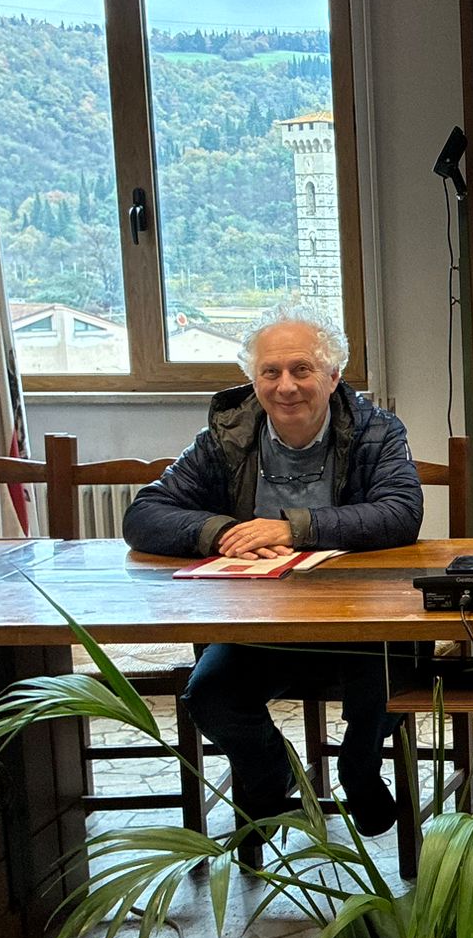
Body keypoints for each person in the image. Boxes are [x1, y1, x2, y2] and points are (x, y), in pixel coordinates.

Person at [123, 310, 422, 844]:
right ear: (252, 380)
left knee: (387, 680)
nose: (286, 387)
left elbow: (400, 511)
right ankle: (273, 773)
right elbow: (144, 514)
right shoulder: (228, 435)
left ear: (333, 377)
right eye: (270, 372)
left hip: (360, 622)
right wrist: (219, 532)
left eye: (302, 370)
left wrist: (291, 528)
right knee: (208, 694)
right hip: (258, 622)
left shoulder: (376, 429)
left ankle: (359, 769)